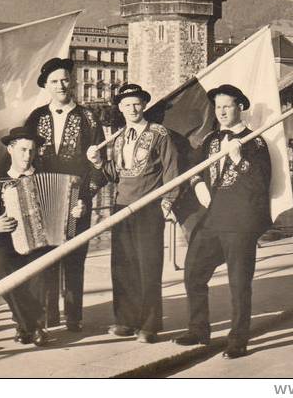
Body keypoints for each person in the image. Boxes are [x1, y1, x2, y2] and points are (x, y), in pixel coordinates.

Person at [173, 84, 272, 359]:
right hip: (212, 218)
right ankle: (198, 329)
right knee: (193, 271)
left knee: (239, 283)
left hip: (241, 222)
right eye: (218, 107)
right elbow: (192, 169)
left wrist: (239, 159)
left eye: (227, 106)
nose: (222, 111)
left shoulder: (256, 141)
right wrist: (197, 185)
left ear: (240, 107)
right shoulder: (210, 141)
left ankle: (238, 339)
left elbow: (261, 184)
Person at [87, 83, 179, 344]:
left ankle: (149, 325)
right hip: (120, 209)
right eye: (126, 105)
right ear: (120, 108)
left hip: (148, 208)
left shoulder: (160, 134)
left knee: (148, 266)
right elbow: (114, 175)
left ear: (144, 105)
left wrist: (168, 202)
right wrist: (97, 162)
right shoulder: (117, 137)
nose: (132, 109)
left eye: (137, 103)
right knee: (122, 266)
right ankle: (125, 320)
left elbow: (172, 171)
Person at [0, 126, 83, 346]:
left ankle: (25, 327)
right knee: (1, 266)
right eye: (23, 150)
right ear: (10, 150)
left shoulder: (47, 178)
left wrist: (75, 212)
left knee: (40, 266)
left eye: (32, 151)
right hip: (7, 245)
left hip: (43, 244)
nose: (28, 156)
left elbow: (69, 222)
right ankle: (32, 326)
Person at [24, 57, 106, 331]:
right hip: (42, 199)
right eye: (54, 81)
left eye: (65, 80)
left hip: (76, 200)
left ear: (72, 82)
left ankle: (74, 316)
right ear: (46, 86)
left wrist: (85, 198)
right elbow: (26, 158)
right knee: (44, 257)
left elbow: (100, 167)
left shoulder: (88, 117)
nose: (61, 85)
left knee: (74, 256)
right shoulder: (36, 117)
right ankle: (48, 315)